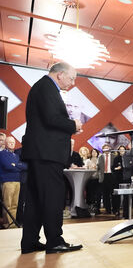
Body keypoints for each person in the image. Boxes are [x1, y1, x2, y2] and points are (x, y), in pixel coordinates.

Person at [20, 62, 83, 254]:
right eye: (71, 78)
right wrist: (74, 125)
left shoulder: (42, 87)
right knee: (52, 197)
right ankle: (55, 240)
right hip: (47, 153)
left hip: (40, 152)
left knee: (36, 199)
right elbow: (51, 118)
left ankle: (30, 241)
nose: (72, 83)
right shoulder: (47, 87)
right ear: (60, 75)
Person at [0, 136, 26, 228]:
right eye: (10, 142)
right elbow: (8, 166)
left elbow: (24, 166)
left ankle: (13, 223)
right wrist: (17, 166)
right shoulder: (2, 154)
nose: (12, 144)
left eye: (13, 142)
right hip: (8, 181)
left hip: (17, 181)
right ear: (6, 143)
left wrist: (15, 165)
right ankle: (8, 224)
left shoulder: (16, 155)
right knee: (8, 204)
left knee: (15, 205)